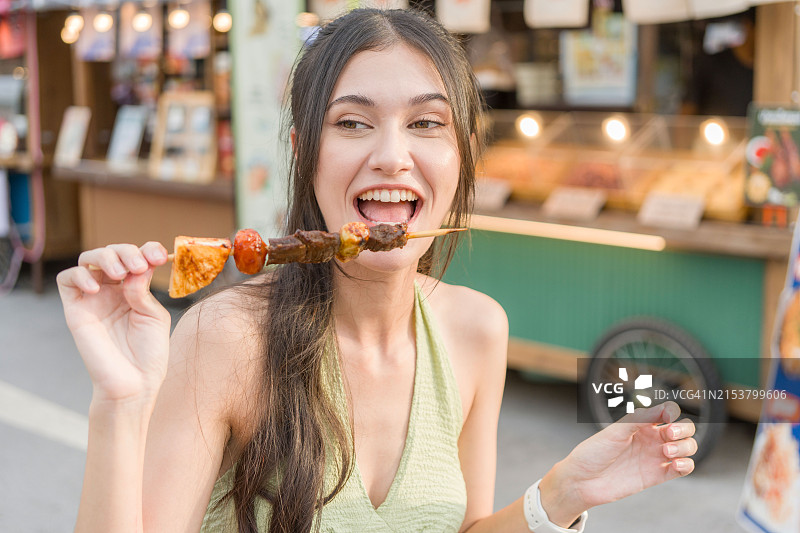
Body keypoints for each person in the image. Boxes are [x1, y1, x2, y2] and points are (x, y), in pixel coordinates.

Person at [56, 8, 697, 533]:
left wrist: (560, 495)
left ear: (463, 153)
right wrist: (121, 402)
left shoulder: (477, 330)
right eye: (354, 123)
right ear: (306, 152)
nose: (393, 155)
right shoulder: (224, 339)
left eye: (426, 123)